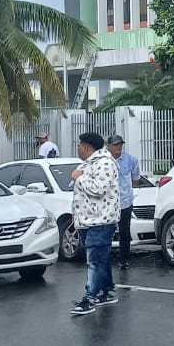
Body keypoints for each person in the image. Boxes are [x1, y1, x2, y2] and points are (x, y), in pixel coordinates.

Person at [68, 133, 121, 316]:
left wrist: (79, 178)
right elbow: (79, 194)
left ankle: (89, 298)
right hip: (86, 220)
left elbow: (99, 189)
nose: (77, 148)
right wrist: (75, 213)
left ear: (86, 148)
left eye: (79, 145)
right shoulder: (86, 164)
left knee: (94, 261)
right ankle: (108, 291)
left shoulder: (105, 163)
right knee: (101, 259)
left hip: (101, 220)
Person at [106, 135, 140, 270]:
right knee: (107, 231)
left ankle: (124, 259)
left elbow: (135, 179)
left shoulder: (131, 160)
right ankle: (105, 258)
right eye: (115, 145)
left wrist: (127, 192)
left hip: (125, 202)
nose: (118, 147)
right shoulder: (104, 161)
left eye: (120, 144)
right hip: (108, 203)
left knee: (124, 232)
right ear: (108, 146)